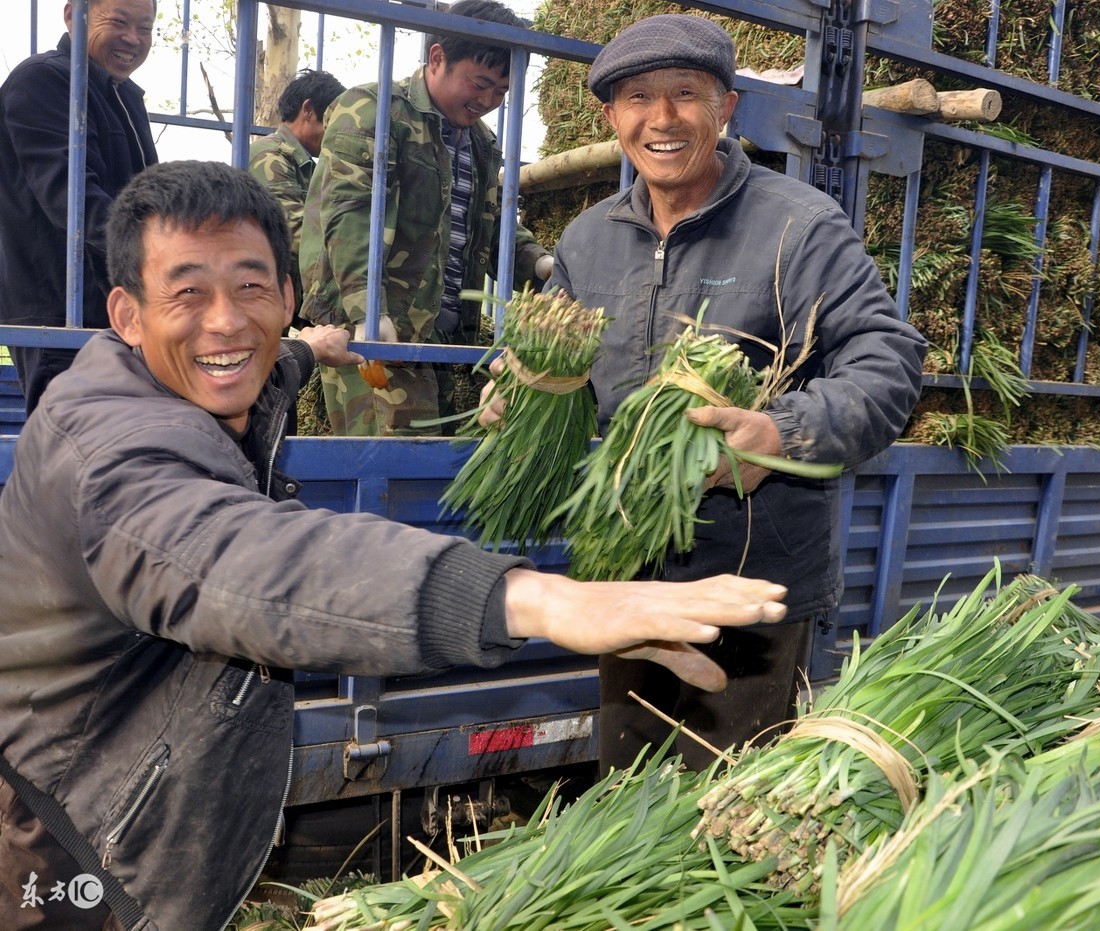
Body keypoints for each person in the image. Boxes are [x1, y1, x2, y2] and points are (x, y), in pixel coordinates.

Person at [0, 160, 789, 930]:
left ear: (285, 294)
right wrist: (535, 595)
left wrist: (312, 349)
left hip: (112, 812)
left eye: (249, 287)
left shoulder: (183, 380)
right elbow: (241, 560)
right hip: (70, 850)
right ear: (127, 314)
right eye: (186, 293)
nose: (225, 321)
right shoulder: (115, 454)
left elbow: (257, 364)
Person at [490, 14, 927, 774]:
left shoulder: (799, 225)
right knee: (628, 792)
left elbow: (889, 363)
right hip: (625, 575)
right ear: (611, 118)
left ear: (725, 109)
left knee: (728, 811)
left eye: (685, 95)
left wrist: (780, 432)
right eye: (637, 99)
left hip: (752, 579)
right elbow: (551, 361)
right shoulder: (587, 240)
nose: (660, 119)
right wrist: (521, 389)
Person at [299, 0, 554, 437]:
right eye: (480, 84)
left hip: (443, 337)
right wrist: (368, 306)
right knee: (392, 467)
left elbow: (490, 225)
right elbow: (351, 212)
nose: (488, 101)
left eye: (501, 93)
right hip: (378, 333)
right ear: (437, 58)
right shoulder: (373, 110)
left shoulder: (481, 142)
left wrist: (540, 264)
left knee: (434, 464)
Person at [0, 0, 158, 415]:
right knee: (71, 452)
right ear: (74, 16)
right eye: (119, 22)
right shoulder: (46, 80)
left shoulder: (121, 95)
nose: (133, 39)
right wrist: (163, 254)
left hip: (116, 307)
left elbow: (140, 199)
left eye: (146, 27)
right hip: (61, 312)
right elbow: (73, 200)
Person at [248, 68, 347, 322]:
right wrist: (351, 246)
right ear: (308, 110)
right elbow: (292, 230)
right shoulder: (269, 157)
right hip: (267, 303)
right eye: (333, 121)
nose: (336, 133)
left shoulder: (304, 165)